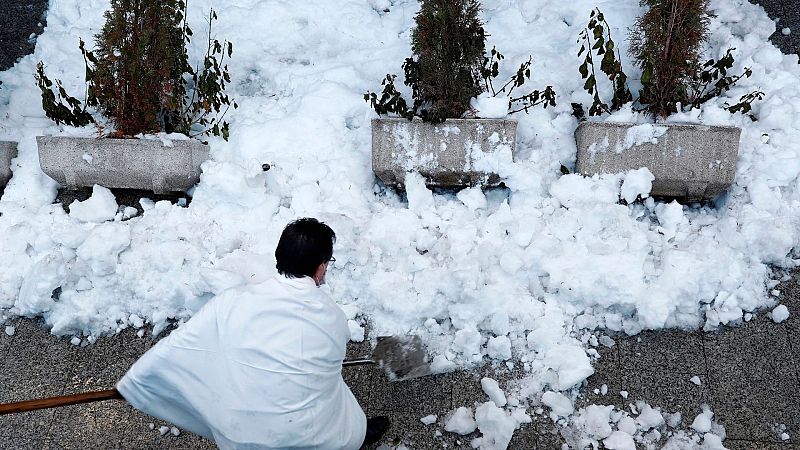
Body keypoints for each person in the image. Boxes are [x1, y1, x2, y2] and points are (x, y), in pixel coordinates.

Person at [116, 218, 390, 449]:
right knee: (343, 408)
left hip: (240, 439)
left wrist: (136, 384)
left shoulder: (231, 301)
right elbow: (329, 365)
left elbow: (179, 347)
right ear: (320, 268)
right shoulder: (331, 317)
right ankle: (361, 433)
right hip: (306, 439)